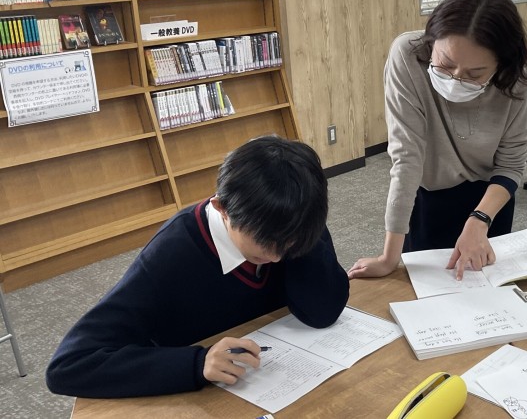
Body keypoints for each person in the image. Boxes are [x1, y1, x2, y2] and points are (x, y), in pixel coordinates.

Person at [46, 136, 349, 398]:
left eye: (290, 245)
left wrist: (302, 238)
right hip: (200, 399)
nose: (278, 258)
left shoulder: (295, 224)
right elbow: (69, 365)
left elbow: (323, 311)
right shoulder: (171, 255)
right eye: (265, 243)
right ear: (222, 208)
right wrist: (196, 364)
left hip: (280, 382)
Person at [348, 0, 527, 280]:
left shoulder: (516, 82)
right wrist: (388, 258)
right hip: (428, 193)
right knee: (425, 287)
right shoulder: (408, 56)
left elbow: (511, 166)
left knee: (485, 286)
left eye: (475, 73)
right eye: (446, 64)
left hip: (490, 198)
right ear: (431, 42)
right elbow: (407, 158)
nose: (456, 78)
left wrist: (480, 219)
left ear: (501, 64)